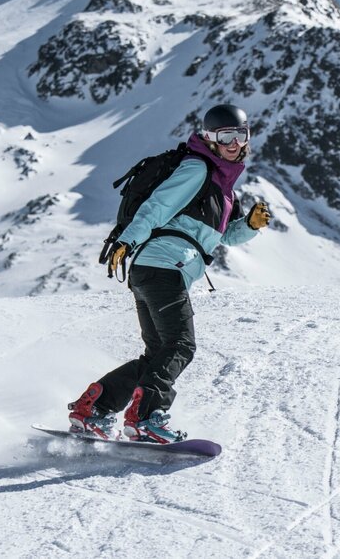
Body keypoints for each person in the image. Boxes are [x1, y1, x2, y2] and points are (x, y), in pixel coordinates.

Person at [68, 104, 272, 443]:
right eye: (226, 137)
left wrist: (249, 226)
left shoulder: (223, 188)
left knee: (157, 355)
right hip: (163, 267)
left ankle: (96, 408)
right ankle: (146, 417)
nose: (234, 143)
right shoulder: (197, 169)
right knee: (180, 344)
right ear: (209, 139)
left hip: (154, 271)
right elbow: (157, 206)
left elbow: (221, 236)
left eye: (240, 135)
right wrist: (126, 240)